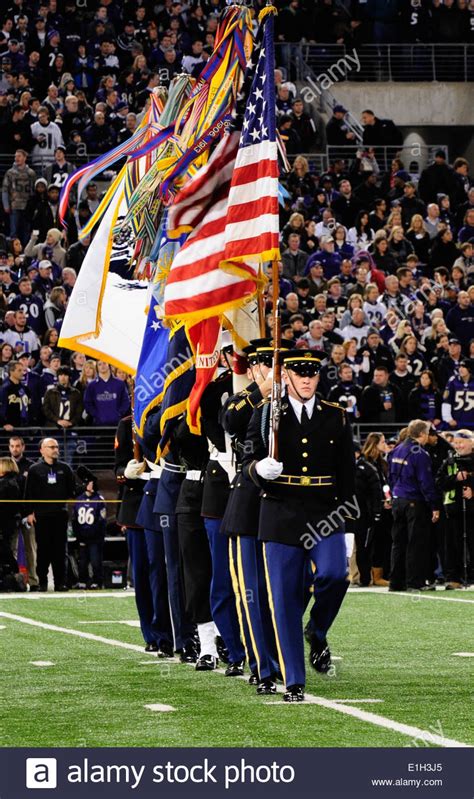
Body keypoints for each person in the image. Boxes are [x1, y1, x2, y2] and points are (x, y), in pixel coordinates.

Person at [242, 350, 356, 702]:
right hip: (280, 511)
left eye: (313, 374)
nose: (307, 380)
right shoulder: (267, 413)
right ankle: (294, 680)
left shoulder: (335, 416)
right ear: (286, 376)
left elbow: (347, 471)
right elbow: (247, 452)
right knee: (285, 598)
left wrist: (348, 523)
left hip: (325, 511)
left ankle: (317, 630)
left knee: (335, 575)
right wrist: (259, 469)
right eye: (299, 373)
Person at [388, 420, 440, 592]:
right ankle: (414, 582)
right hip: (414, 501)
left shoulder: (396, 450)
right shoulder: (421, 454)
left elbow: (391, 477)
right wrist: (434, 505)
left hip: (398, 500)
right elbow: (426, 483)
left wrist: (395, 494)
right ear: (422, 434)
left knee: (398, 542)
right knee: (415, 543)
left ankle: (395, 582)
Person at [24, 437, 76, 592]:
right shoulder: (35, 469)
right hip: (42, 515)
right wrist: (29, 512)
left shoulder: (65, 468)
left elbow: (71, 491)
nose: (55, 449)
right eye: (51, 447)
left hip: (60, 515)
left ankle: (61, 582)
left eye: (57, 447)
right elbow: (29, 493)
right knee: (43, 551)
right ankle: (42, 582)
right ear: (42, 450)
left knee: (60, 551)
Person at [436, 431, 474, 589]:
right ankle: (454, 578)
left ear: (472, 443)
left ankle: (471, 576)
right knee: (452, 545)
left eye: (461, 442)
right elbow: (439, 482)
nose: (458, 445)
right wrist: (455, 479)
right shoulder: (450, 461)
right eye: (456, 442)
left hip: (472, 511)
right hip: (453, 510)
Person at [354, 433, 388, 587]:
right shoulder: (365, 464)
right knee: (365, 545)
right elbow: (364, 491)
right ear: (375, 444)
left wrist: (386, 499)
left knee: (380, 543)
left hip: (380, 508)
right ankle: (365, 578)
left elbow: (384, 485)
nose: (385, 444)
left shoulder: (381, 463)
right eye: (382, 441)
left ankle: (377, 576)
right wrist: (375, 508)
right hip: (366, 512)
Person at [8, 435, 38, 591]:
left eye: (17, 446)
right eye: (12, 446)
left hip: (27, 514)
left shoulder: (31, 466)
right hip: (10, 515)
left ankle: (34, 582)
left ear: (23, 447)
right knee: (9, 549)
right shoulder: (4, 466)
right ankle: (12, 581)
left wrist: (32, 512)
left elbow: (34, 492)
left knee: (30, 549)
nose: (15, 449)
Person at [72, 468, 106, 589]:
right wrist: (78, 535)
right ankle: (82, 581)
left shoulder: (99, 500)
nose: (91, 485)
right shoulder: (79, 499)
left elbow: (101, 520)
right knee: (82, 561)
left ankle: (97, 581)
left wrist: (95, 534)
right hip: (82, 535)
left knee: (95, 560)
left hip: (95, 537)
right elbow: (75, 519)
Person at [84, 361, 130, 425]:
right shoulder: (91, 385)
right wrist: (96, 415)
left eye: (104, 363)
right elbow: (88, 403)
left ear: (109, 365)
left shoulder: (120, 384)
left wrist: (119, 414)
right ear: (97, 367)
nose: (102, 366)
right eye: (99, 364)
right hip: (98, 424)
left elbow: (125, 401)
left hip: (117, 424)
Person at [442, 360, 474, 430]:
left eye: (464, 367)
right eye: (460, 366)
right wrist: (448, 418)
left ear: (470, 369)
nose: (461, 369)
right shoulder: (453, 380)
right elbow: (447, 400)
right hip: (456, 422)